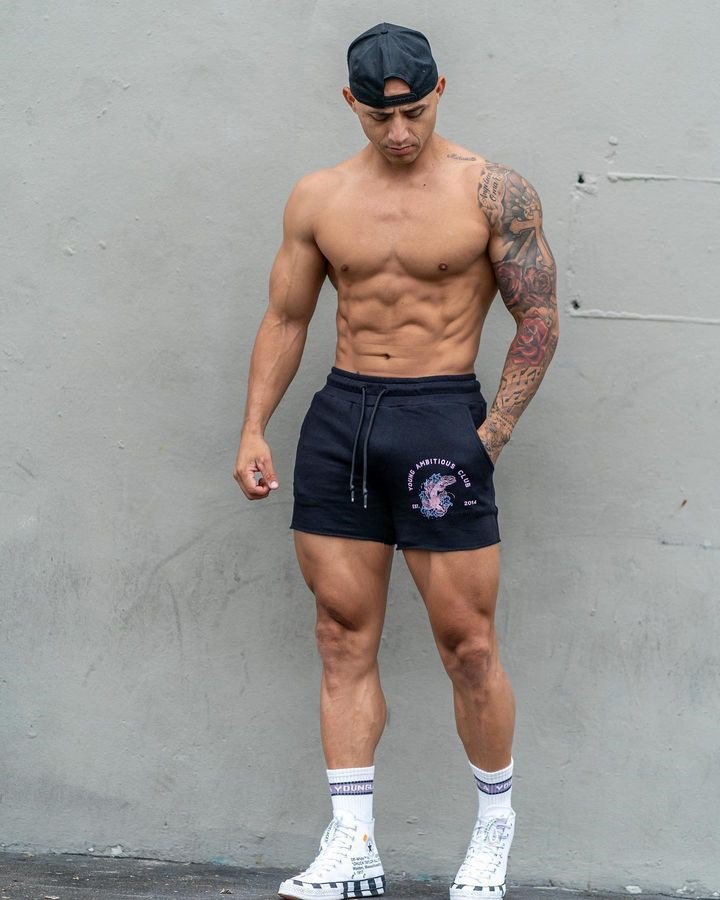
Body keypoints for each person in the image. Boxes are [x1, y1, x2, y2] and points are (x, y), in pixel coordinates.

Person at [233, 21, 558, 900]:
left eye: (414, 112)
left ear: (439, 90)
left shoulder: (492, 190)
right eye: (381, 117)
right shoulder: (319, 196)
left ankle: (492, 834)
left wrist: (489, 436)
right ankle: (353, 846)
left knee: (468, 645)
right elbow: (288, 317)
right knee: (340, 635)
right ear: (352, 104)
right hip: (341, 418)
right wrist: (255, 427)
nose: (401, 132)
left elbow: (538, 317)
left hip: (440, 416)